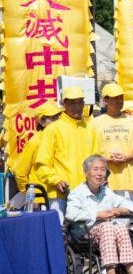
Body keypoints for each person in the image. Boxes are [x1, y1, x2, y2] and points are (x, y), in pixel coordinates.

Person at [65, 155, 133, 274]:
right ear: (86, 173)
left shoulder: (106, 192)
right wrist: (97, 215)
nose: (99, 173)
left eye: (103, 169)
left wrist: (118, 210)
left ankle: (132, 273)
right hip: (84, 233)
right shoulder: (77, 193)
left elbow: (131, 206)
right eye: (95, 169)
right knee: (108, 226)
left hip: (106, 233)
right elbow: (71, 214)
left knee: (119, 227)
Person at [35, 86, 99, 223]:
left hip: (86, 192)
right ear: (64, 104)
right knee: (59, 232)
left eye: (80, 102)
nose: (77, 106)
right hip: (61, 193)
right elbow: (41, 164)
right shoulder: (53, 129)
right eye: (72, 103)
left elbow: (97, 160)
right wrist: (55, 180)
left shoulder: (90, 128)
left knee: (87, 236)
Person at [92, 83, 133, 199]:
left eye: (121, 97)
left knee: (126, 214)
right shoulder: (95, 123)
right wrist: (108, 159)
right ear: (105, 100)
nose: (119, 101)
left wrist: (127, 157)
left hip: (127, 180)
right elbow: (89, 152)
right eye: (115, 98)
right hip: (103, 179)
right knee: (106, 215)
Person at [14, 101, 63, 202]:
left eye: (58, 116)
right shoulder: (35, 142)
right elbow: (20, 172)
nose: (57, 120)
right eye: (53, 118)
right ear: (42, 122)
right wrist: (30, 198)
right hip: (41, 199)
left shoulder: (59, 137)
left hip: (58, 194)